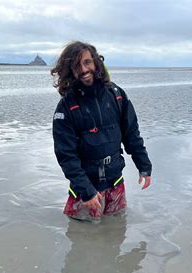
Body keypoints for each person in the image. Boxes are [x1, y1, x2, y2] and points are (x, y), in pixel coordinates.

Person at [51, 41, 152, 222]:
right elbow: (66, 156)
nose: (83, 69)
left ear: (96, 62)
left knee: (117, 232)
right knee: (80, 237)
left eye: (87, 62)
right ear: (69, 71)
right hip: (84, 190)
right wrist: (87, 192)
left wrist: (144, 166)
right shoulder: (65, 108)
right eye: (76, 66)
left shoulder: (117, 95)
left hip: (115, 184)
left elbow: (132, 135)